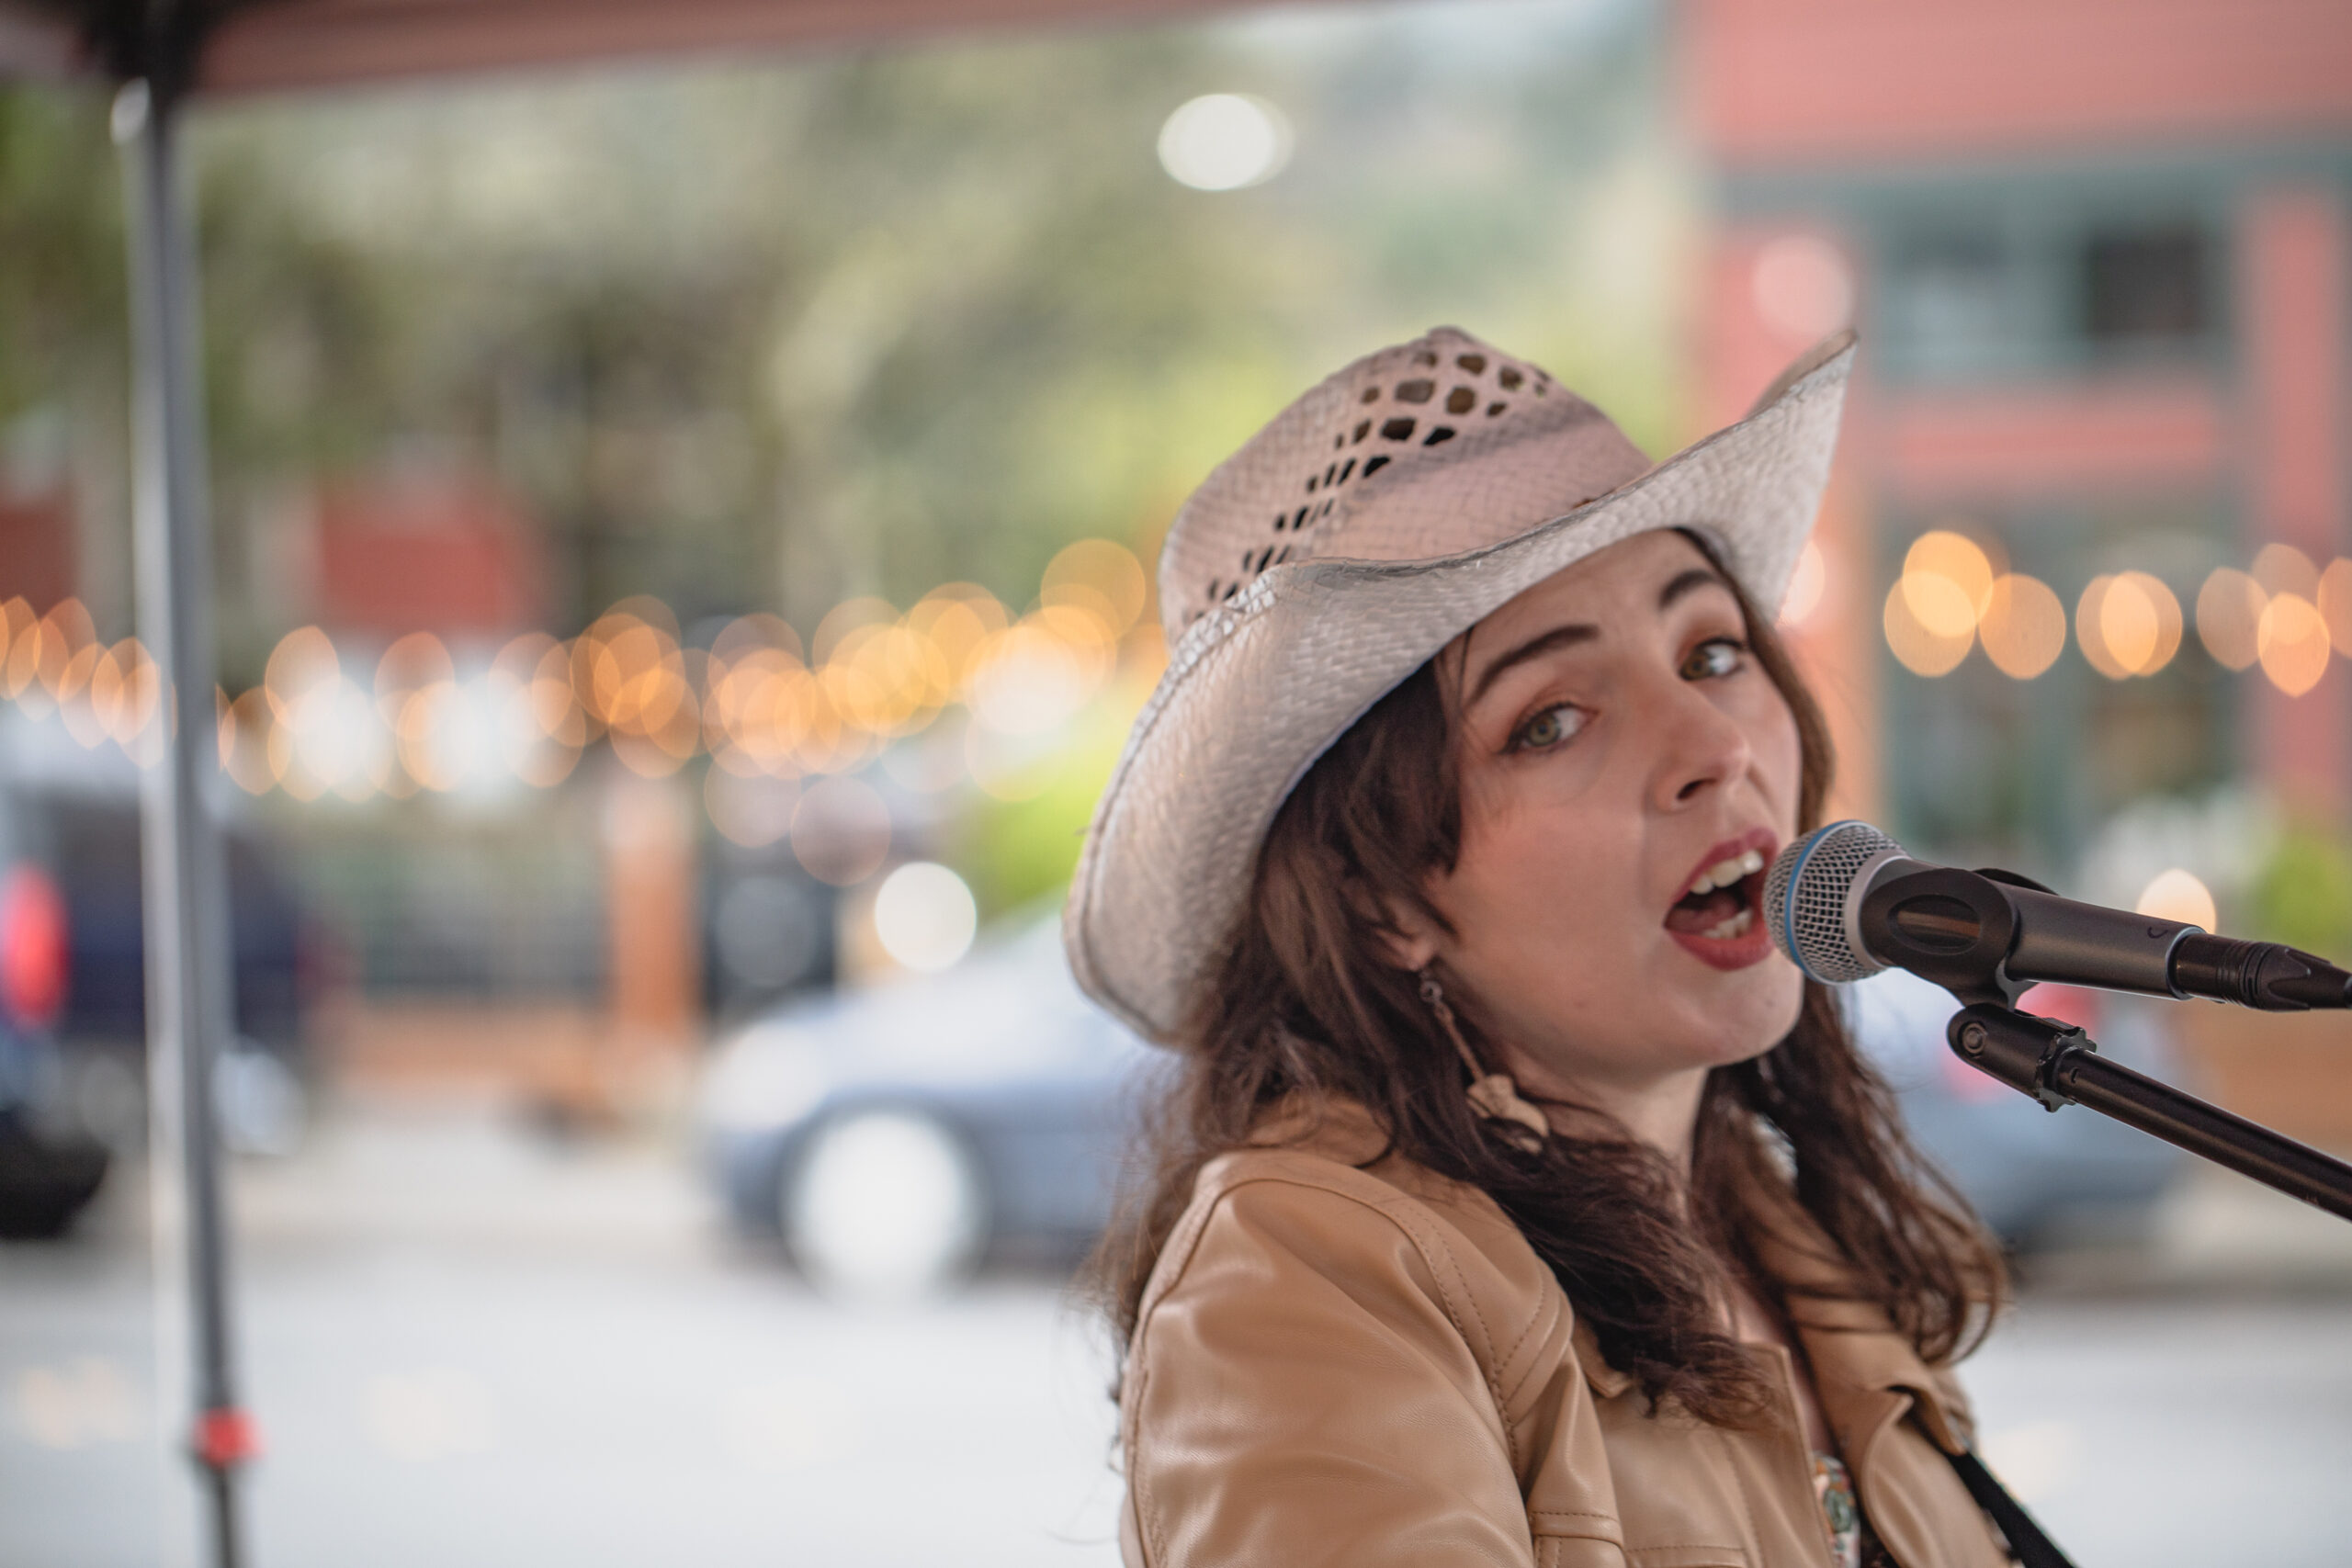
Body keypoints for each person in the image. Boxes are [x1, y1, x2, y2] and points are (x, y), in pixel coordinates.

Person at [1064, 327, 2017, 1568]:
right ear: (1378, 900)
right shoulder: (1306, 1275)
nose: (1711, 745)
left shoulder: (1783, 1233)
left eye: (1713, 653)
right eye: (1552, 721)